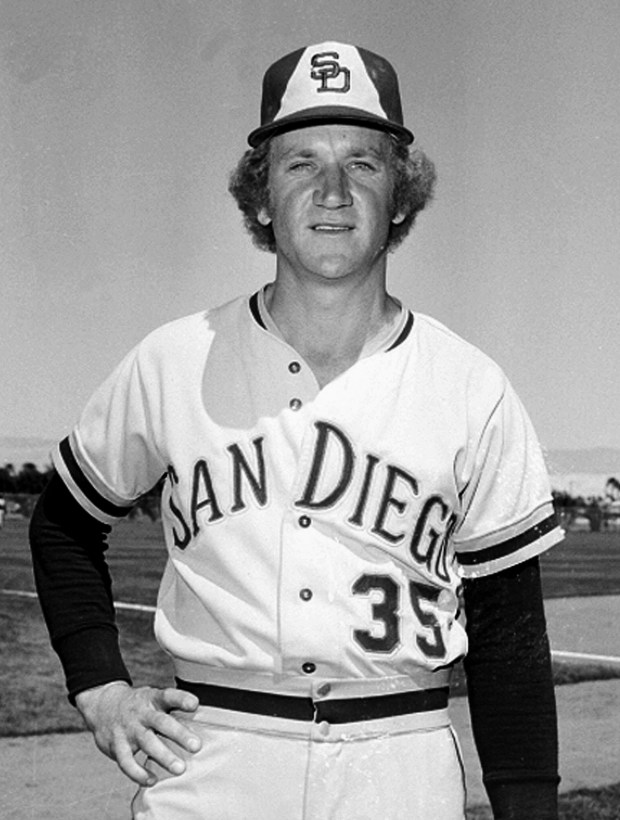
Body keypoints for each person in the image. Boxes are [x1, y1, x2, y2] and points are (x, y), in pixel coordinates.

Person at [30, 41, 564, 819]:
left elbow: (510, 636)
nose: (334, 192)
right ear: (260, 197)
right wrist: (100, 686)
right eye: (301, 163)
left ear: (403, 196)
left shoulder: (471, 388)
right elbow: (64, 525)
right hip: (213, 755)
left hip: (400, 760)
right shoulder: (174, 361)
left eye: (364, 163)